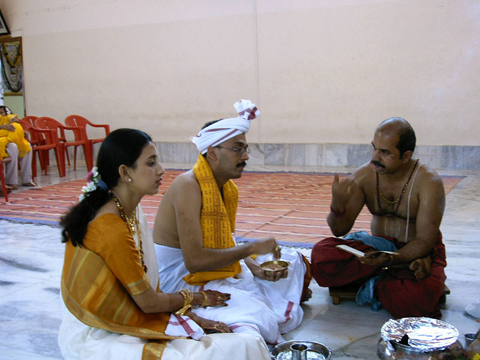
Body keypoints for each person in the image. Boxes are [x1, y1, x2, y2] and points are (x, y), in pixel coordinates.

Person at [58, 128, 271, 360]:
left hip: (133, 308)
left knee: (241, 339)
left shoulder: (127, 211)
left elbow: (143, 281)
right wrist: (197, 299)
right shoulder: (111, 226)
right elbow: (149, 302)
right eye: (151, 163)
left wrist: (190, 314)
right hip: (103, 326)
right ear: (125, 172)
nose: (161, 170)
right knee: (234, 348)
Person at [153, 100, 312, 345]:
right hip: (183, 278)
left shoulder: (226, 187)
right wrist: (251, 249)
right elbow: (194, 261)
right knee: (255, 319)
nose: (246, 156)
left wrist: (255, 267)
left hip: (209, 267)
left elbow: (227, 241)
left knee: (295, 262)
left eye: (246, 149)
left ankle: (264, 295)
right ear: (213, 153)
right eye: (238, 149)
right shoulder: (188, 186)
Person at [311, 117, 446, 319]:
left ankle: (378, 277)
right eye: (374, 148)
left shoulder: (427, 182)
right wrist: (337, 205)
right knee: (322, 256)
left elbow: (425, 241)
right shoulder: (366, 175)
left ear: (406, 156)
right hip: (376, 251)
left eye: (385, 152)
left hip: (414, 252)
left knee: (417, 299)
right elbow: (339, 230)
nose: (375, 157)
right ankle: (385, 279)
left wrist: (394, 258)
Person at [0, 105, 35, 192]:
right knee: (13, 147)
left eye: (1, 113)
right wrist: (2, 127)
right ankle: (10, 181)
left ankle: (26, 179)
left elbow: (14, 122)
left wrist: (21, 132)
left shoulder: (9, 119)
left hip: (8, 139)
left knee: (27, 146)